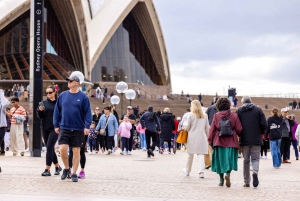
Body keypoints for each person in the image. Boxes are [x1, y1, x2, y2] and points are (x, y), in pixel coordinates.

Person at [53, 74, 92, 182]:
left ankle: (74, 173)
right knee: (62, 149)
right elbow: (57, 111)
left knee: (76, 150)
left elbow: (88, 113)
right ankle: (66, 168)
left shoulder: (83, 97)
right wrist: (56, 125)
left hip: (78, 128)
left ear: (77, 83)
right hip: (64, 127)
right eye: (68, 81)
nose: (68, 82)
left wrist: (87, 126)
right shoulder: (62, 95)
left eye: (71, 81)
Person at [208, 97, 242, 187]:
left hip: (219, 141)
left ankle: (221, 180)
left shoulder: (216, 116)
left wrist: (210, 141)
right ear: (228, 105)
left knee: (220, 161)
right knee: (230, 160)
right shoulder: (234, 115)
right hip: (231, 141)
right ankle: (228, 174)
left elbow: (211, 130)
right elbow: (239, 129)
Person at [236, 96, 267, 188]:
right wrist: (260, 132)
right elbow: (264, 124)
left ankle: (246, 181)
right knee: (255, 159)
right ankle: (255, 172)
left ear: (242, 102)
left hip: (244, 139)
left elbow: (237, 125)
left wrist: (240, 134)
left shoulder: (239, 111)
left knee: (246, 160)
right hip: (256, 139)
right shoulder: (258, 110)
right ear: (251, 101)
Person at [37, 85, 62, 176]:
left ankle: (47, 169)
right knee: (49, 148)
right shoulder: (43, 103)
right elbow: (40, 117)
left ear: (55, 92)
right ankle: (57, 166)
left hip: (55, 128)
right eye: (47, 93)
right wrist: (40, 111)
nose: (48, 94)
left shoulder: (59, 103)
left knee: (50, 146)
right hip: (44, 128)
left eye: (50, 92)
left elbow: (61, 115)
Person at [182, 100, 209, 179]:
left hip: (192, 137)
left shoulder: (190, 115)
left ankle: (187, 171)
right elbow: (207, 128)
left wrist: (184, 124)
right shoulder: (205, 115)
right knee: (200, 155)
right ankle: (201, 172)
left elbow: (187, 127)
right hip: (202, 137)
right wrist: (207, 137)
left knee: (190, 155)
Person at [204, 98, 218, 169]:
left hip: (210, 128)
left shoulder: (210, 108)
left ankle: (208, 163)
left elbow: (205, 117)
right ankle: (215, 163)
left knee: (208, 146)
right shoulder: (223, 108)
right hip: (219, 129)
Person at [0, 89, 10, 157]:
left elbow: (4, 104)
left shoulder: (3, 101)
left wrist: (1, 93)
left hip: (2, 125)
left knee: (1, 138)